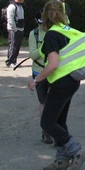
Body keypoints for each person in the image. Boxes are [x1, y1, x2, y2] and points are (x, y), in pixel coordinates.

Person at [26, 0, 85, 170]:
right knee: (59, 121)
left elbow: (53, 64)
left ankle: (76, 151)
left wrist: (36, 80)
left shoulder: (51, 34)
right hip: (72, 82)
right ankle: (61, 160)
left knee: (47, 122)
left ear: (44, 16)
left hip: (61, 83)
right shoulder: (68, 31)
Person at [28, 9, 52, 144]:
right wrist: (45, 46)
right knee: (43, 102)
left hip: (54, 71)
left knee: (54, 102)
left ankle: (56, 127)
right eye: (42, 21)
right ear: (37, 21)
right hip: (39, 71)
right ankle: (46, 130)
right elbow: (33, 55)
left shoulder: (53, 32)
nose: (45, 25)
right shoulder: (34, 34)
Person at [6, 0, 25, 68]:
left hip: (20, 28)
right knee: (13, 45)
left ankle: (14, 60)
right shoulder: (12, 6)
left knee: (17, 45)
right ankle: (9, 61)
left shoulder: (20, 6)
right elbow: (10, 19)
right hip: (14, 29)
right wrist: (15, 29)